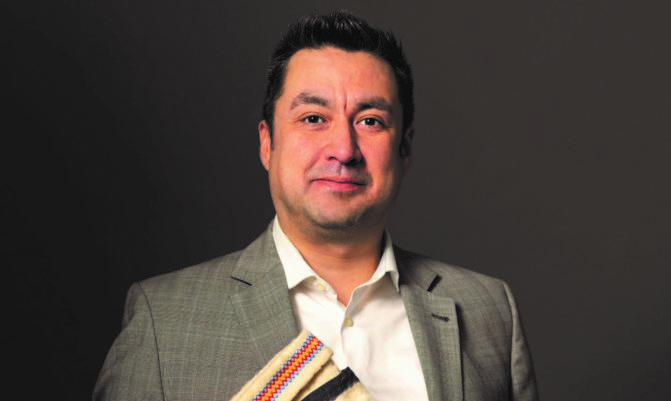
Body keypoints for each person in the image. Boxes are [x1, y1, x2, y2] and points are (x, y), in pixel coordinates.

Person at [94, 10, 538, 401]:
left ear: (404, 150)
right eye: (313, 118)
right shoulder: (164, 320)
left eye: (370, 121)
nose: (343, 149)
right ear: (267, 143)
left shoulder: (490, 311)